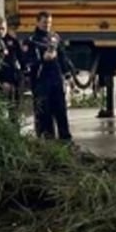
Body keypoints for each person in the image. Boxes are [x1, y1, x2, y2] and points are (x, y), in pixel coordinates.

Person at [24, 11, 73, 141]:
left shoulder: (55, 37)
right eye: (45, 22)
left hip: (56, 79)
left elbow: (63, 57)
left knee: (61, 111)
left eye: (50, 23)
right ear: (38, 22)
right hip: (41, 81)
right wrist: (42, 59)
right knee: (44, 113)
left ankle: (65, 140)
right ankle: (47, 141)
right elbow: (28, 62)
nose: (47, 25)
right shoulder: (31, 41)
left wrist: (68, 75)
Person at [0, 15, 24, 122]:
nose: (1, 31)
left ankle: (15, 130)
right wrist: (1, 82)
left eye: (3, 29)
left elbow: (21, 59)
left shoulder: (12, 41)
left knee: (14, 109)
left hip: (14, 79)